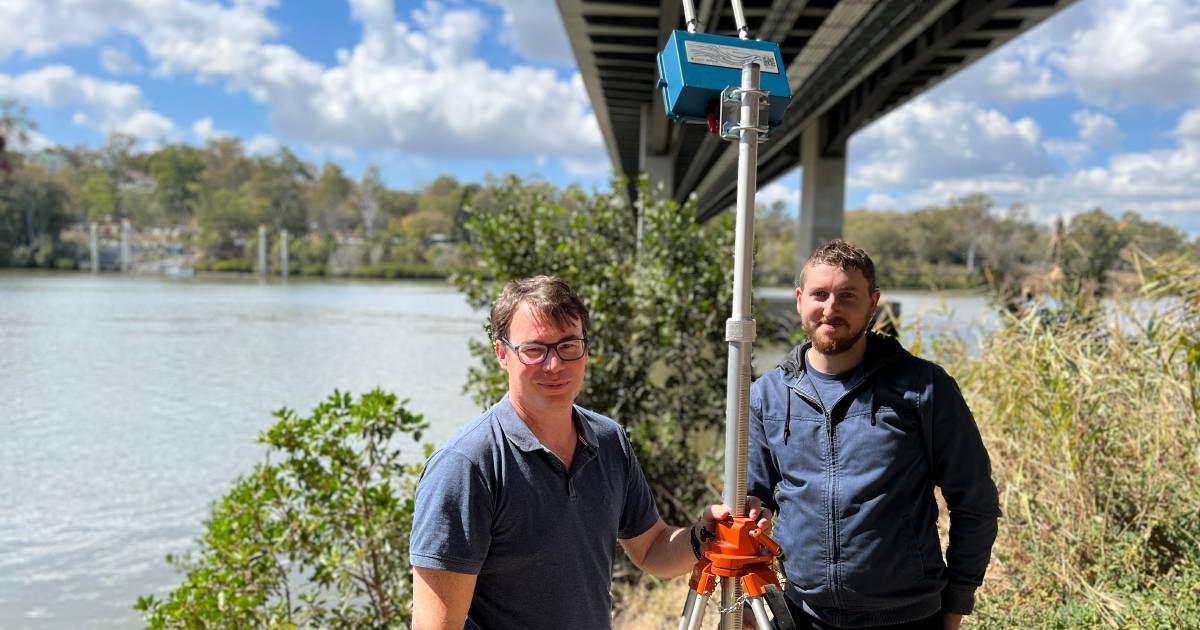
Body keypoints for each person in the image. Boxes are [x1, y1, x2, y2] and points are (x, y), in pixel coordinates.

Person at [410, 275, 767, 630]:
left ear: (586, 347)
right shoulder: (467, 465)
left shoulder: (608, 440)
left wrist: (703, 533)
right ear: (502, 353)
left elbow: (652, 550)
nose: (554, 365)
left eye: (568, 346)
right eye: (534, 350)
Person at [747, 240, 1000, 630]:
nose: (830, 308)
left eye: (847, 296)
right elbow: (753, 502)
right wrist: (752, 597)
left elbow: (975, 502)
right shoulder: (768, 393)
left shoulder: (924, 388)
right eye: (819, 294)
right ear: (800, 300)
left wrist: (957, 603)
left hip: (909, 617)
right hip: (803, 615)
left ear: (873, 303)